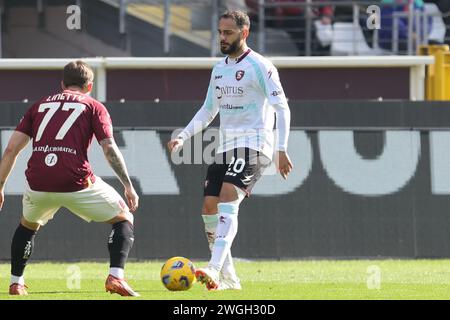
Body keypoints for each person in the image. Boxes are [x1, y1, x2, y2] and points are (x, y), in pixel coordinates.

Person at [167, 10, 293, 291]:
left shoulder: (261, 66)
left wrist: (282, 148)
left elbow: (281, 107)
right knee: (208, 207)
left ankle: (213, 267)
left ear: (244, 33)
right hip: (225, 145)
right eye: (220, 32)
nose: (222, 38)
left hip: (254, 143)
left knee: (227, 197)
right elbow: (208, 110)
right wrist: (184, 136)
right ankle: (229, 278)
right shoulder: (219, 68)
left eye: (228, 33)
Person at [0, 60, 140, 296]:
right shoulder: (94, 106)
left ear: (62, 83)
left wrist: (0, 185)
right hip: (76, 182)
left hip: (38, 182)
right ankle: (115, 277)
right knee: (123, 216)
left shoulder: (39, 105)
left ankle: (16, 283)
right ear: (89, 86)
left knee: (27, 225)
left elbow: (11, 150)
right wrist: (128, 185)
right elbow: (108, 147)